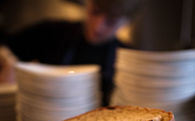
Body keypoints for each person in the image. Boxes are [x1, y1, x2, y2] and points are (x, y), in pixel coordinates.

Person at [0, 0, 146, 105]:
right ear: (87, 3)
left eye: (111, 22)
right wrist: (8, 59)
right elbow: (6, 42)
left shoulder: (131, 59)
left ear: (125, 22)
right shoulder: (52, 32)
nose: (98, 27)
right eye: (94, 12)